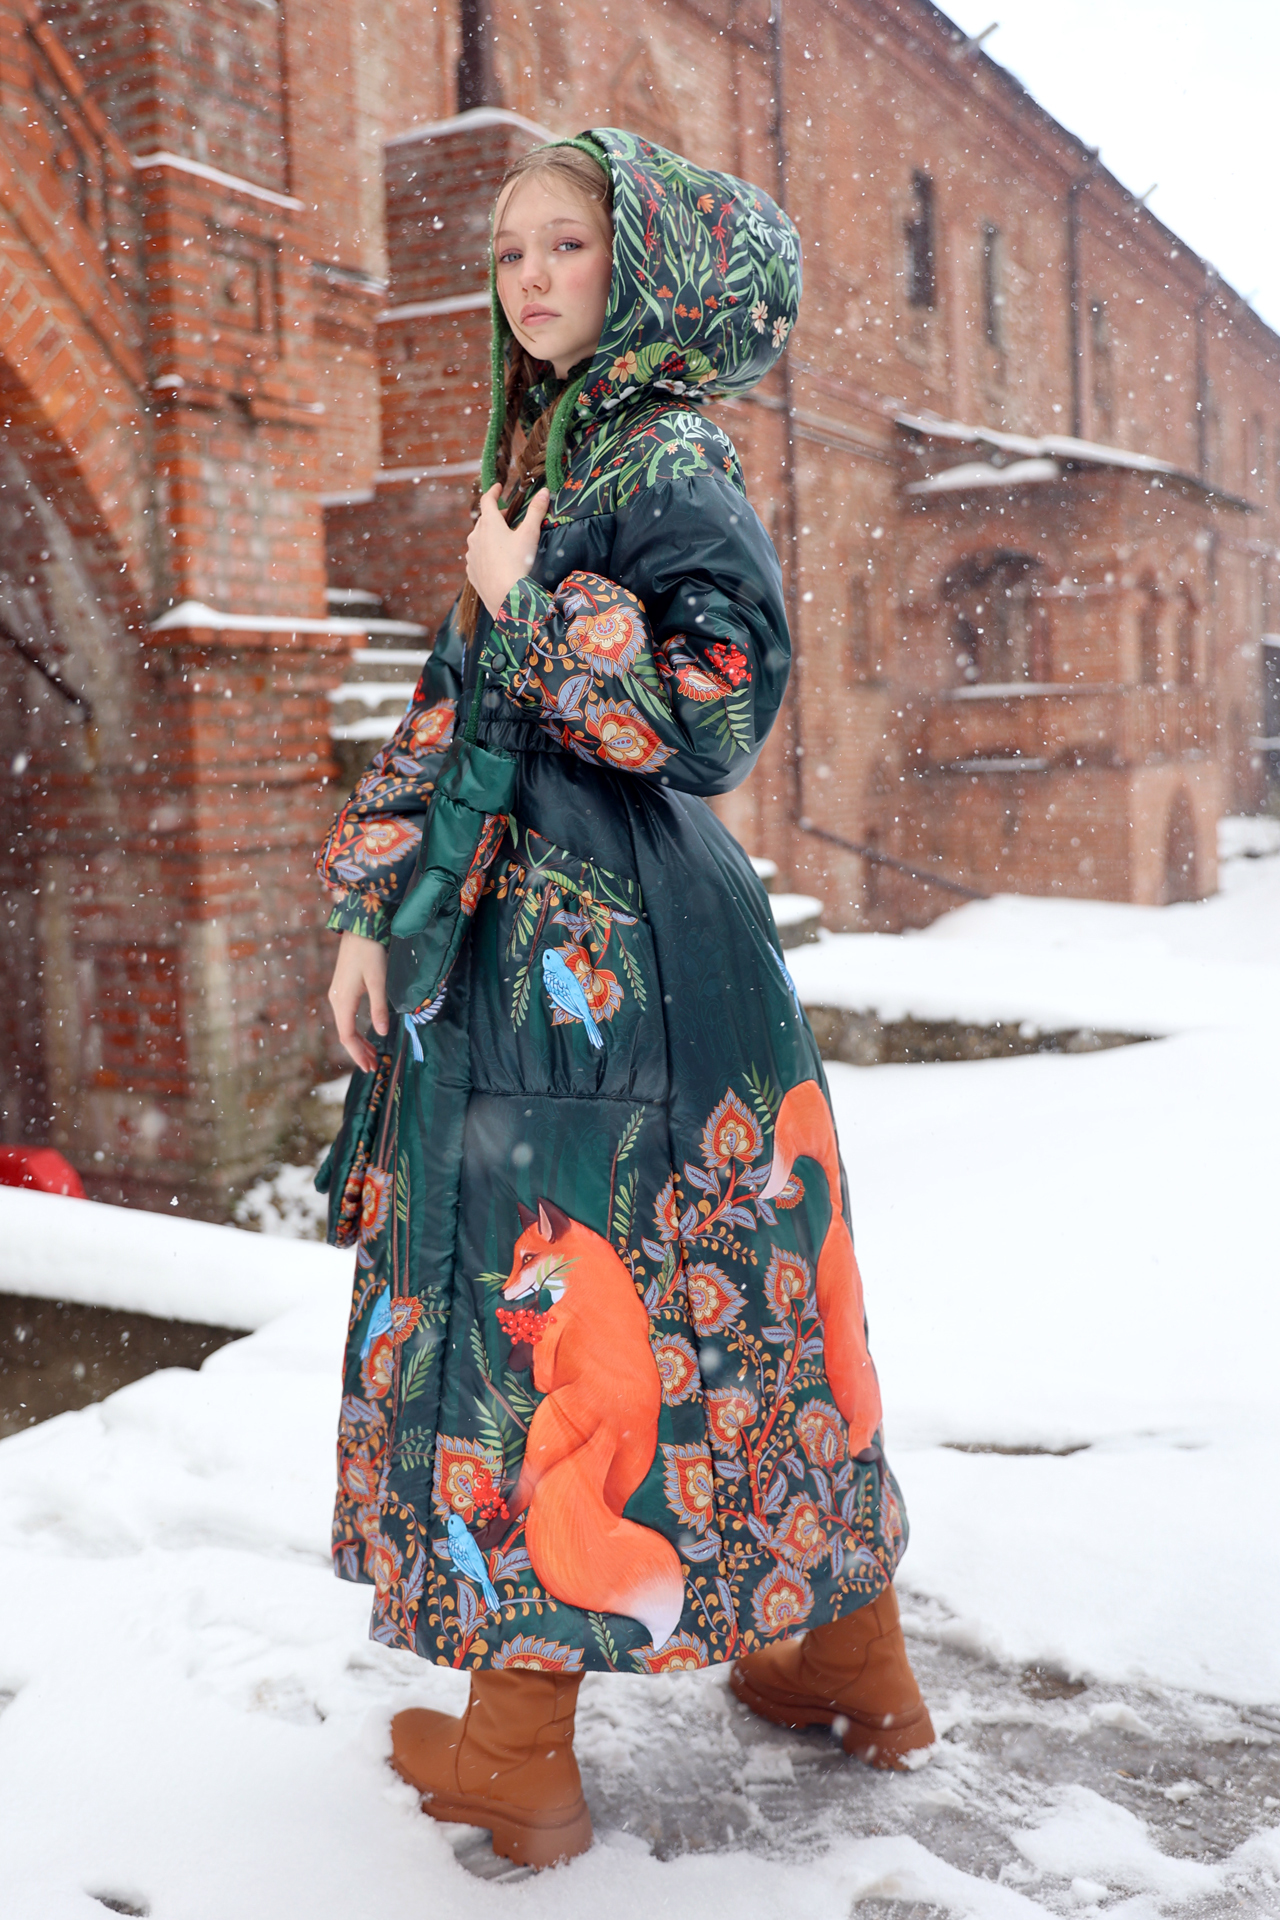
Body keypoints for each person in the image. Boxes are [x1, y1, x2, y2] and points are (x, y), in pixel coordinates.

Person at [316, 127, 933, 1872]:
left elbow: (719, 709)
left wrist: (530, 610)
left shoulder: (668, 456)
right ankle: (848, 1660)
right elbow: (456, 707)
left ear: (644, 268)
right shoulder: (556, 447)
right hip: (565, 940)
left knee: (557, 1307)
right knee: (731, 1287)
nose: (528, 276)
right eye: (510, 248)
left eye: (567, 244)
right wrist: (372, 913)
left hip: (604, 959)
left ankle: (518, 1754)